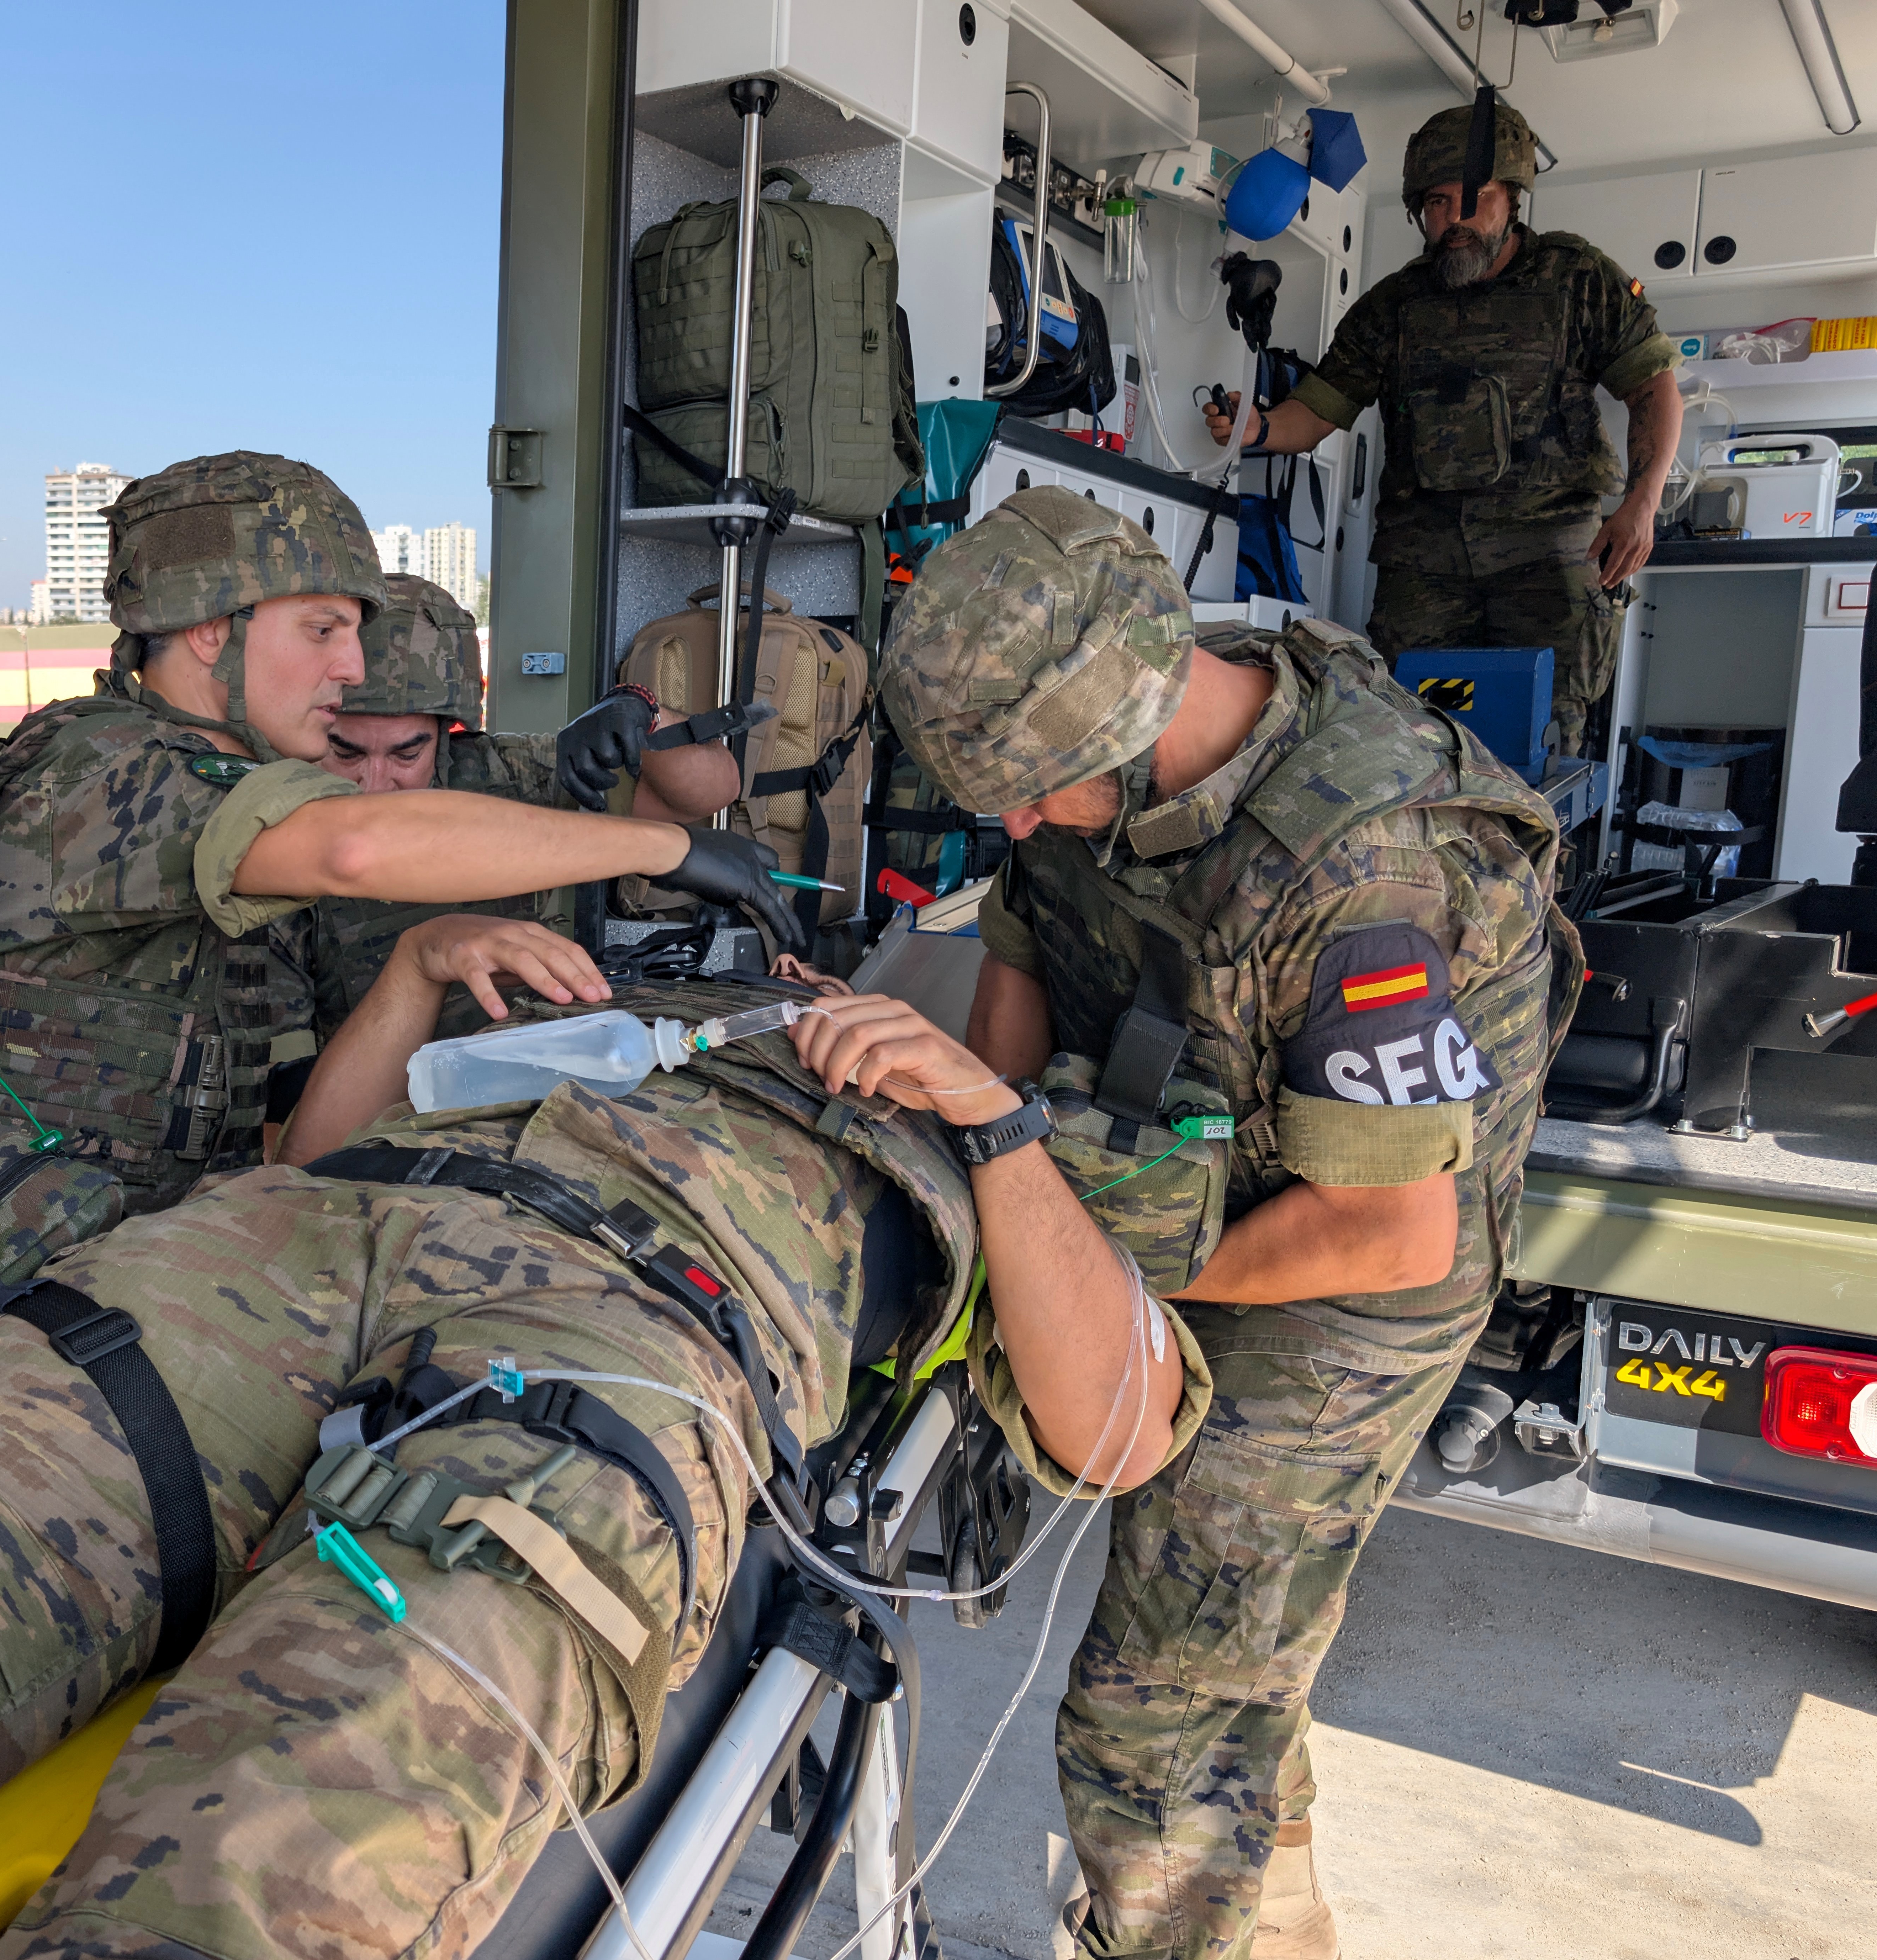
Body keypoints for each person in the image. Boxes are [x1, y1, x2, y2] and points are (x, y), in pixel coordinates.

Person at [0, 932, 1212, 1959]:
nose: (886, 979)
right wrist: (431, 988)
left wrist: (993, 1125)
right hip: (300, 1239)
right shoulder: (674, 1002)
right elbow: (301, 1154)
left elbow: (1117, 1422)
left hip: (632, 1323)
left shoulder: (1010, 1141)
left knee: (356, 1745)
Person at [879, 487, 1572, 1960]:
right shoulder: (1082, 761)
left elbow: (1392, 1233)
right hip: (1207, 1175)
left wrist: (1127, 1277)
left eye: (1031, 785)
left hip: (1351, 1279)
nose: (1008, 817)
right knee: (1237, 1637)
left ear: (1128, 718)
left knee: (1162, 1703)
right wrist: (996, 1152)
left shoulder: (1368, 867)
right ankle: (1279, 1916)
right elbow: (1024, 930)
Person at [0, 450, 804, 1212]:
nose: (351, 665)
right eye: (322, 628)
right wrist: (668, 851)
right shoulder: (105, 768)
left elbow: (301, 1160)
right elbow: (355, 845)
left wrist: (422, 961)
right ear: (210, 631)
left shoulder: (198, 784)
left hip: (152, 1272)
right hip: (11, 1324)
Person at [1204, 99, 1683, 760]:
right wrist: (1254, 429)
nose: (1453, 219)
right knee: (1405, 741)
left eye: (1473, 197)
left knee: (1540, 747)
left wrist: (1643, 502)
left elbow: (1653, 387)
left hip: (1547, 560)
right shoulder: (1394, 307)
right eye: (1435, 202)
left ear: (1511, 198)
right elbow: (1316, 412)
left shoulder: (1577, 280)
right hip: (1425, 571)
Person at [301, 572, 741, 1044]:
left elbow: (712, 791)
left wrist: (642, 714)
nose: (375, 785)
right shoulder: (281, 826)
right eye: (346, 753)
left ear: (447, 731)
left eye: (407, 754)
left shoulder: (501, 776)